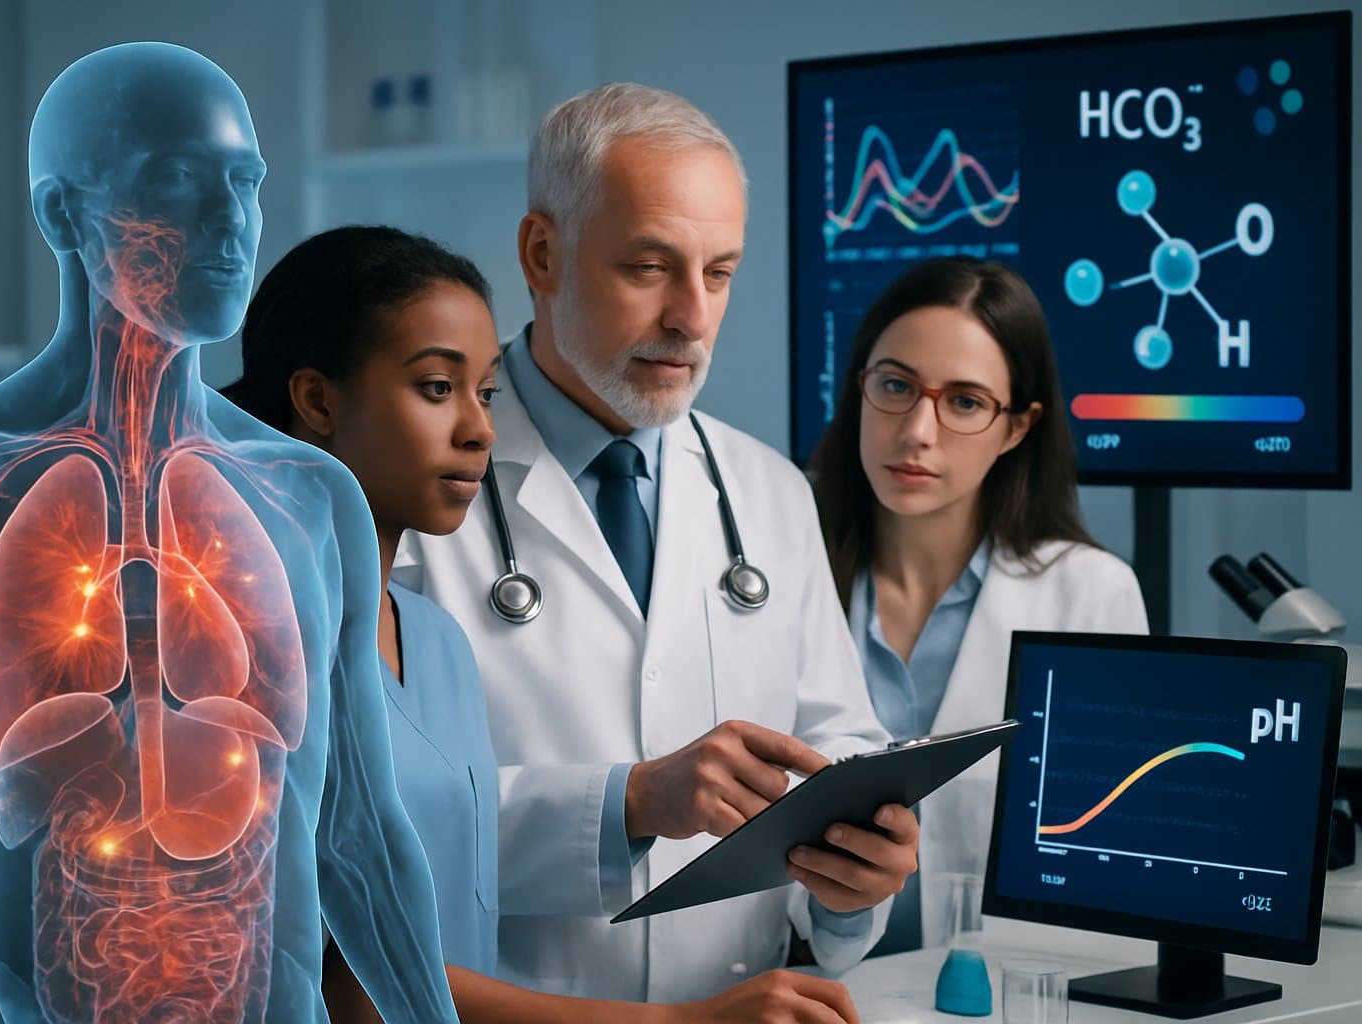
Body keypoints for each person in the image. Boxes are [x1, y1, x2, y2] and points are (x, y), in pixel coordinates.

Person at [0, 45, 456, 1023]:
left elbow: (361, 836)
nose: (230, 223)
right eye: (175, 181)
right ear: (63, 214)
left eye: (244, 183)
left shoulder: (311, 495)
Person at [227, 224, 864, 1024]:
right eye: (435, 387)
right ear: (318, 399)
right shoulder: (238, 654)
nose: (479, 430)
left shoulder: (437, 644)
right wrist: (687, 1022)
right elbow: (346, 977)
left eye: (486, 392)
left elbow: (458, 892)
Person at [393, 83, 918, 1003]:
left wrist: (856, 872)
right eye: (650, 267)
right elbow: (384, 822)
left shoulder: (769, 492)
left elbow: (838, 744)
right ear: (542, 253)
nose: (693, 316)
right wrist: (629, 800)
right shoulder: (405, 488)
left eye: (719, 273)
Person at [810, 257, 1149, 954]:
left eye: (964, 402)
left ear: (1018, 427)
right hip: (812, 984)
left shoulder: (1089, 595)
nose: (917, 432)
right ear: (858, 387)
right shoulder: (783, 574)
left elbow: (1111, 851)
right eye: (896, 386)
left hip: (1007, 990)